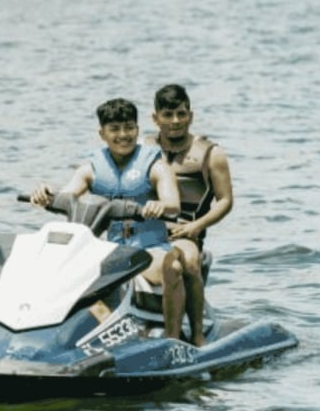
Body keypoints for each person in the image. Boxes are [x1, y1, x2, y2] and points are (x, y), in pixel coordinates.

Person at [31, 97, 187, 340]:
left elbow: (173, 204)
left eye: (129, 128)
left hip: (150, 249)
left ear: (137, 129)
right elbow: (65, 196)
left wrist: (159, 206)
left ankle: (174, 338)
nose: (123, 135)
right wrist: (45, 194)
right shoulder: (91, 169)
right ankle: (51, 333)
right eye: (114, 129)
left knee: (173, 267)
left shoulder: (155, 166)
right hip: (111, 252)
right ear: (101, 133)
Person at [148, 84, 234, 346]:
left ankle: (196, 334)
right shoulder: (144, 148)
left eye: (181, 114)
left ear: (191, 115)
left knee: (190, 262)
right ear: (156, 118)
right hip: (147, 231)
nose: (175, 121)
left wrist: (197, 226)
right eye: (168, 115)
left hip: (185, 231)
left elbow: (225, 201)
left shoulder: (210, 153)